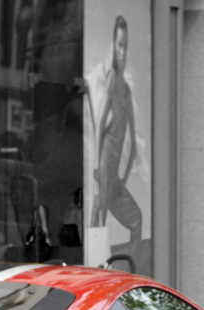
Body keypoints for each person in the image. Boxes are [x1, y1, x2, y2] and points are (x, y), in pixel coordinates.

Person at [91, 16, 142, 253]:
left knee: (136, 219)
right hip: (104, 167)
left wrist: (124, 176)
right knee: (98, 223)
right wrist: (96, 167)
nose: (122, 53)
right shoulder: (111, 80)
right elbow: (100, 124)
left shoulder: (127, 90)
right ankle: (94, 273)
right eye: (119, 46)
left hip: (115, 175)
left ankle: (131, 275)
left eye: (126, 46)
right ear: (113, 46)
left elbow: (132, 140)